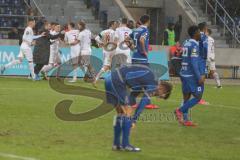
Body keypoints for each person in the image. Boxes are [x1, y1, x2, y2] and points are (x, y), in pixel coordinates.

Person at [105, 64, 172, 151]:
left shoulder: (146, 81)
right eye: (160, 95)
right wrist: (134, 120)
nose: (156, 95)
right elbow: (144, 102)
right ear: (162, 89)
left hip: (109, 78)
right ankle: (126, 145)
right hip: (117, 80)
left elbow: (133, 95)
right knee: (127, 112)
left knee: (121, 114)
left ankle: (116, 144)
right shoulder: (154, 83)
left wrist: (131, 106)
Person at [175, 25, 205, 127]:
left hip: (183, 73)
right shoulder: (194, 45)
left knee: (186, 97)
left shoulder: (186, 42)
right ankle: (179, 110)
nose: (200, 33)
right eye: (199, 32)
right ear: (195, 33)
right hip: (190, 75)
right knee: (198, 96)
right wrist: (199, 77)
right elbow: (193, 62)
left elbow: (182, 57)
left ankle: (186, 120)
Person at [93, 21, 118, 86]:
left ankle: (110, 81)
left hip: (105, 50)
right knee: (106, 66)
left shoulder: (103, 31)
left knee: (109, 66)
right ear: (112, 25)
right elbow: (116, 42)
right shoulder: (114, 32)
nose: (116, 26)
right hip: (111, 50)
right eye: (115, 24)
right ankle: (96, 78)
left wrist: (101, 43)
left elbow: (96, 38)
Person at [198, 22, 209, 105]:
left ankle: (195, 96)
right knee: (202, 79)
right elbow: (205, 47)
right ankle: (199, 98)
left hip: (195, 59)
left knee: (196, 78)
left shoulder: (195, 36)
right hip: (201, 60)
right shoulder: (204, 36)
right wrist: (205, 57)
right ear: (205, 28)